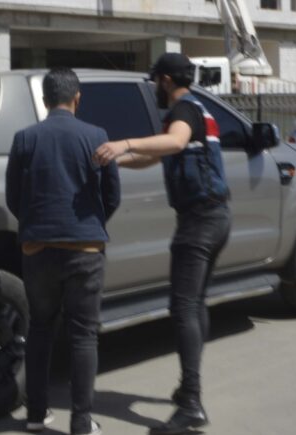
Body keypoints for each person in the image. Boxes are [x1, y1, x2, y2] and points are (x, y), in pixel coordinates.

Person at [93, 53, 231, 435]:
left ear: (166, 80)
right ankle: (190, 388)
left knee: (182, 307)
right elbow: (158, 155)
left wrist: (122, 142)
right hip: (217, 217)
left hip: (199, 222)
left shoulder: (183, 112)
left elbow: (174, 142)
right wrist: (119, 159)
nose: (154, 87)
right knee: (195, 303)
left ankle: (191, 401)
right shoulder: (200, 108)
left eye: (156, 81)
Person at [5, 67, 121, 435]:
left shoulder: (25, 139)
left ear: (44, 100)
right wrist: (89, 224)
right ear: (77, 98)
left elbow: (13, 197)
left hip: (38, 250)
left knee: (40, 328)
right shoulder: (97, 137)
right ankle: (82, 423)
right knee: (84, 335)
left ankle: (36, 416)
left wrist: (35, 225)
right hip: (84, 249)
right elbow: (112, 196)